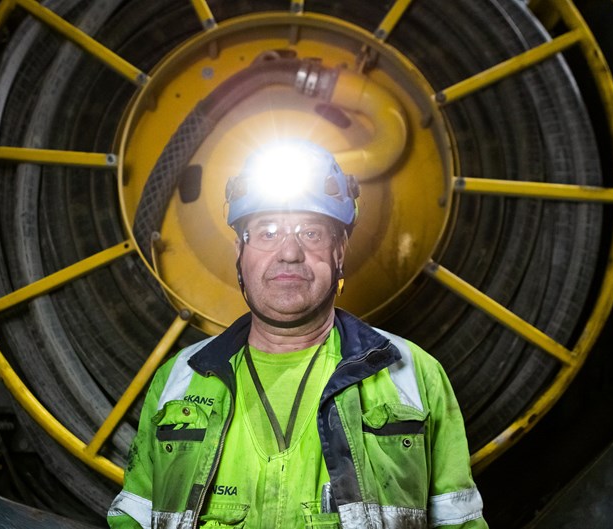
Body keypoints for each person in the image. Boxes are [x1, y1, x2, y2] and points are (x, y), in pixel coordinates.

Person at [107, 140, 487, 528]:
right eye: (267, 232)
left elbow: (461, 523)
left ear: (340, 251)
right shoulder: (180, 378)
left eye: (312, 233)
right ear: (240, 250)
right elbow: (133, 518)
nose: (289, 253)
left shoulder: (413, 374)